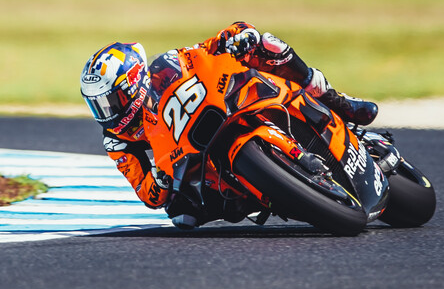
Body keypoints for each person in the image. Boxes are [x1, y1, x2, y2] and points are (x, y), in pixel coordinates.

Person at [78, 21, 378, 225]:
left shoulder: (167, 66)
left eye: (110, 100)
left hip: (222, 106)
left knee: (265, 45)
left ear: (134, 83)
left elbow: (204, 49)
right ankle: (279, 190)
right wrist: (160, 180)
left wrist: (235, 36)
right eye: (97, 105)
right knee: (182, 216)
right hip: (193, 161)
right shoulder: (117, 140)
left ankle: (337, 101)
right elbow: (147, 195)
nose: (106, 111)